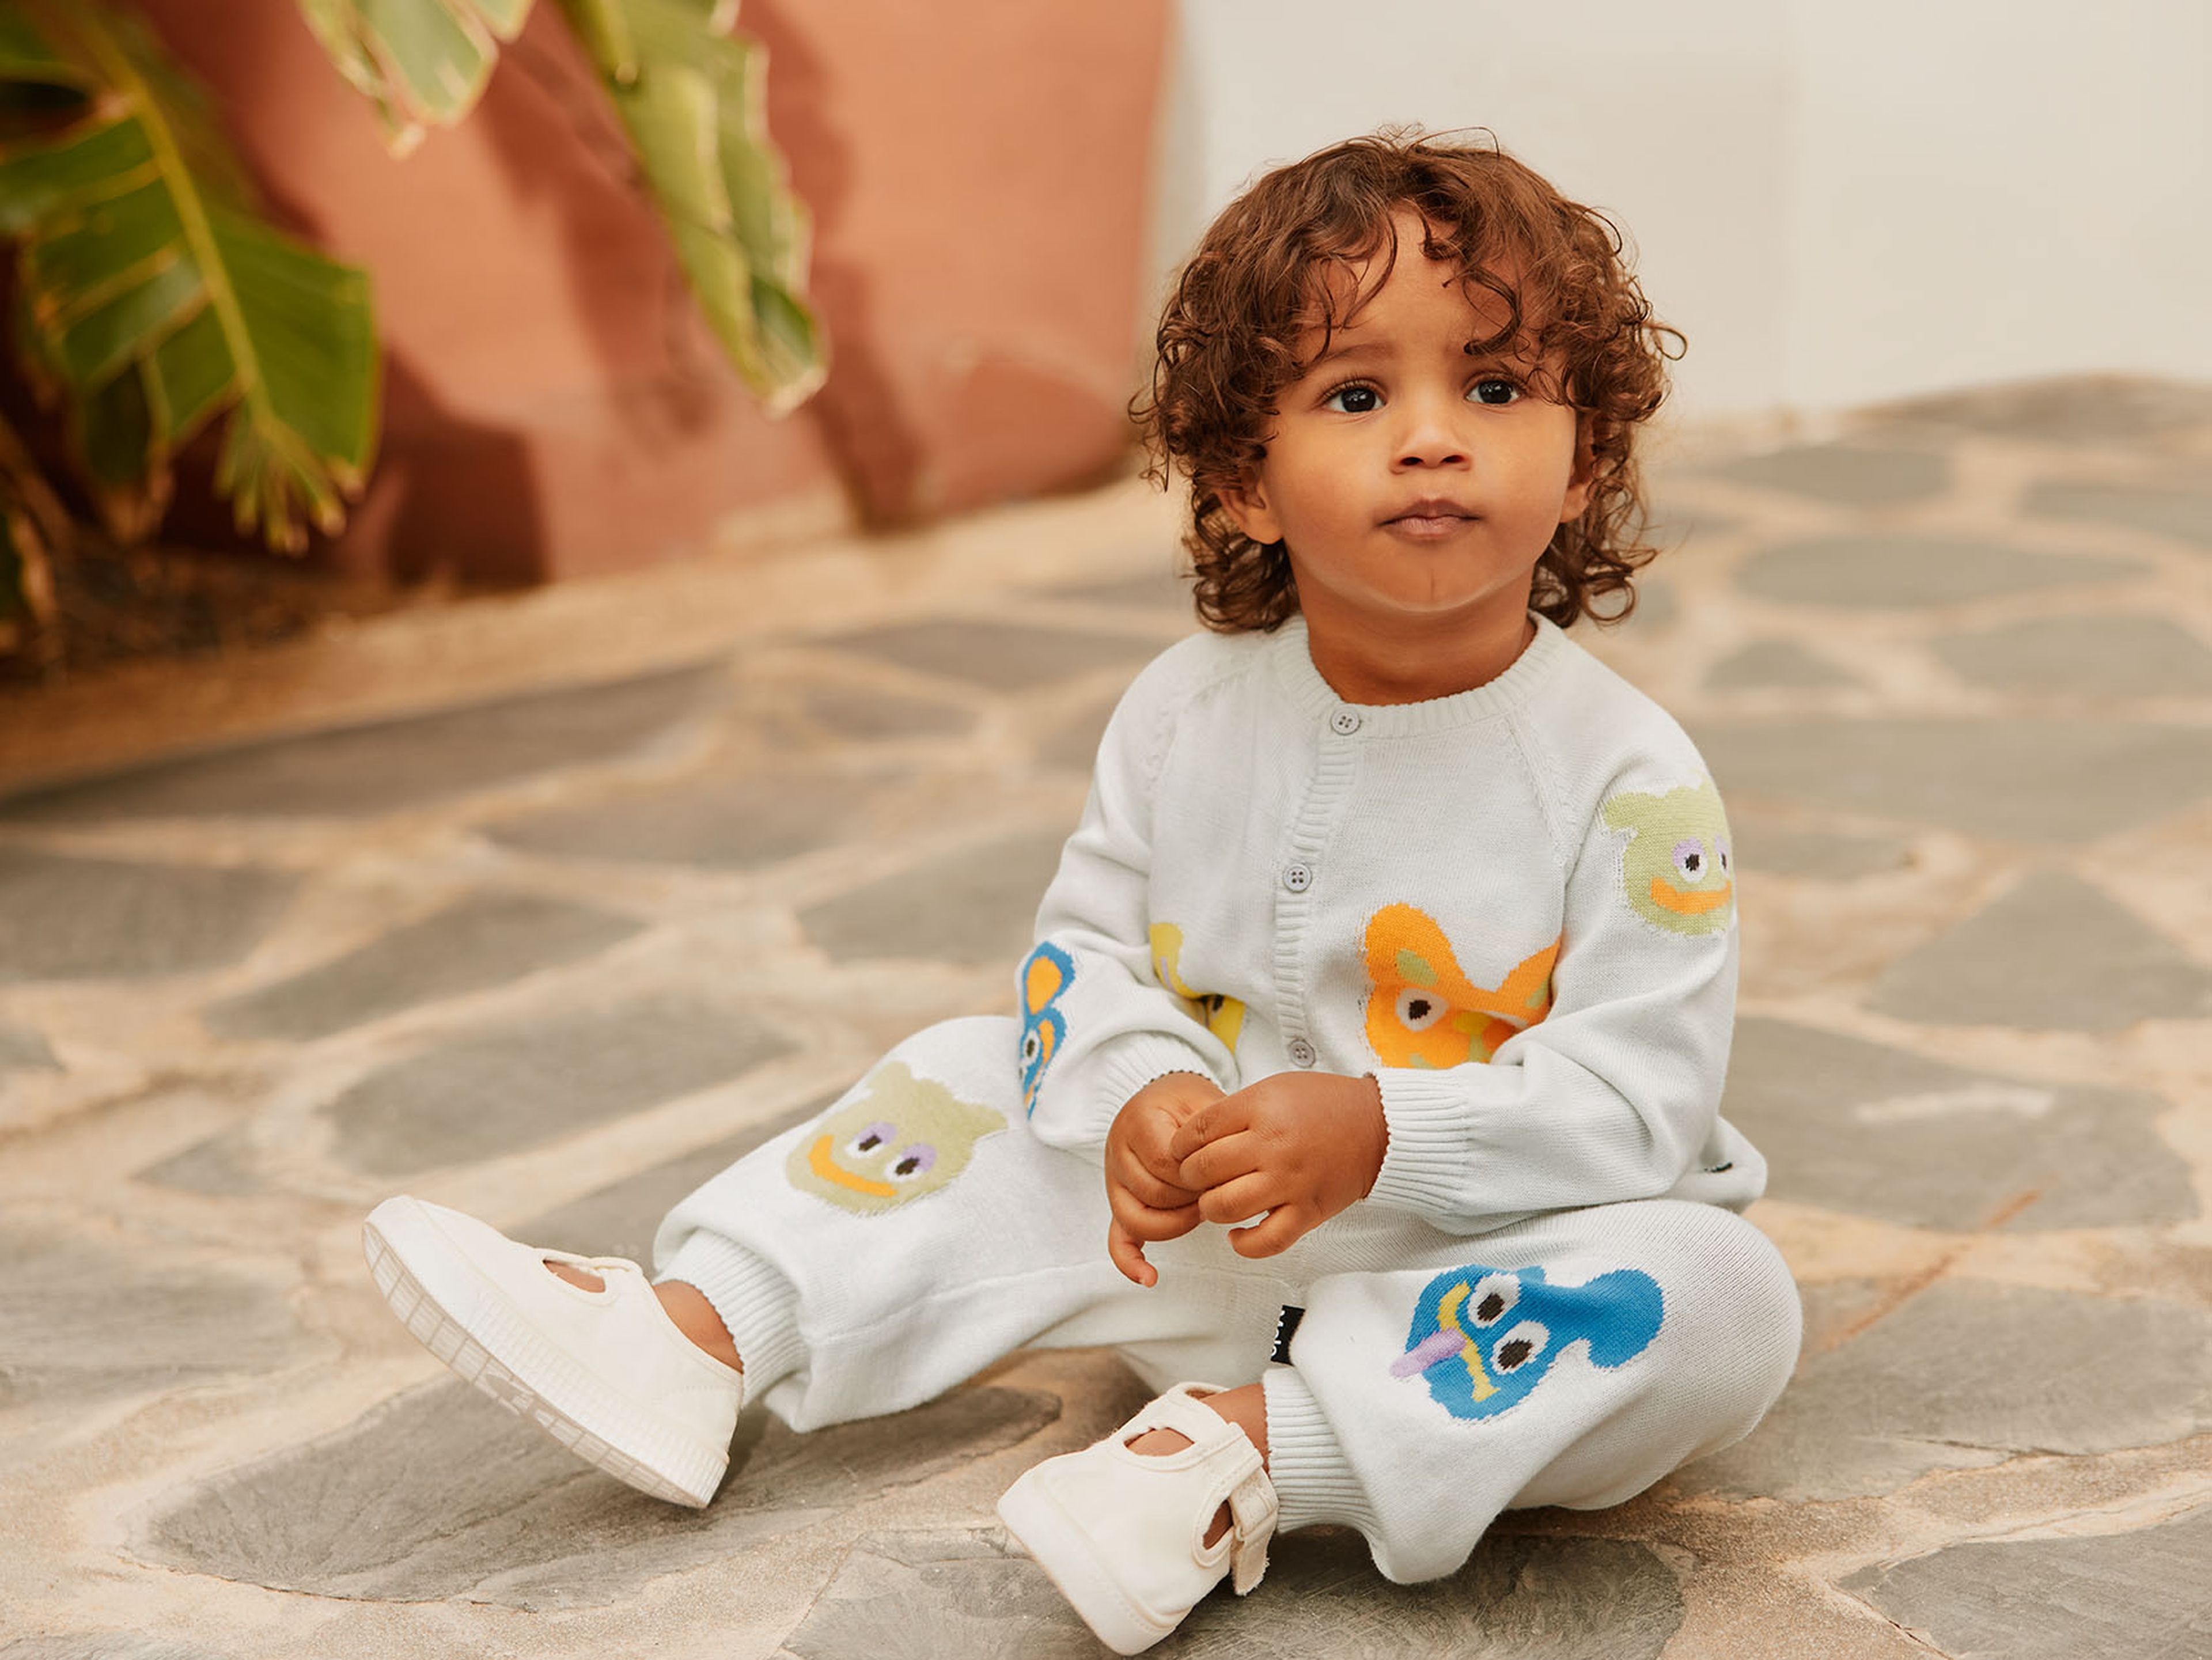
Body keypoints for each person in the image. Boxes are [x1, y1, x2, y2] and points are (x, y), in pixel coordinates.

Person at [361, 130, 1801, 1655]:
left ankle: (1231, 1461)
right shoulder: (1183, 716)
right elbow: (1083, 957)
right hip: (1189, 1240)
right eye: (1356, 395)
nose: (1433, 438)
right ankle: (698, 1337)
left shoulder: (1631, 783)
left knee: (1723, 1297)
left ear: (1587, 461)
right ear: (1245, 478)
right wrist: (1141, 1097)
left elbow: (1643, 1100)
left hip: (1476, 1302)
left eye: (1496, 388)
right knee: (969, 1072)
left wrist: (1385, 1132)